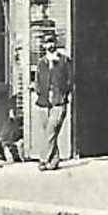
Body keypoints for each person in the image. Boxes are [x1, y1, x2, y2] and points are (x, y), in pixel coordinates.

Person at [31, 29, 73, 171]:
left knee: (51, 130)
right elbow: (37, 80)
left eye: (52, 42)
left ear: (56, 43)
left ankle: (43, 160)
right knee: (48, 133)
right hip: (43, 102)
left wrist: (63, 93)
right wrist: (39, 93)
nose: (50, 45)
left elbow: (70, 80)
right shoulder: (41, 63)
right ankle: (54, 160)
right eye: (47, 43)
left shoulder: (64, 61)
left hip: (58, 101)